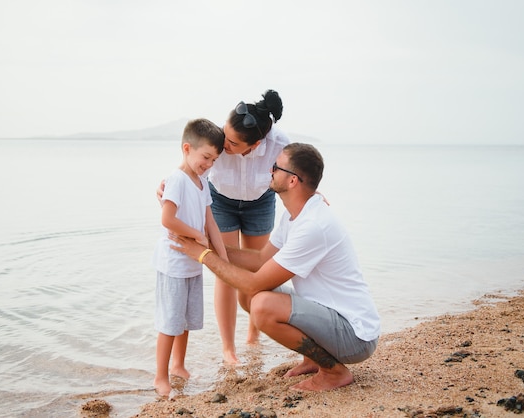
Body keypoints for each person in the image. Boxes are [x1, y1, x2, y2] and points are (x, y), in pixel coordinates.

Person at [169, 143, 381, 391]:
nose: (270, 170)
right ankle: (313, 359)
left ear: (292, 181)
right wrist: (206, 240)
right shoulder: (296, 214)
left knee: (262, 305)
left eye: (275, 166)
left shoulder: (313, 225)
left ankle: (333, 372)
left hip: (355, 336)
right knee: (250, 297)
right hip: (334, 318)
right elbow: (260, 259)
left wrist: (203, 255)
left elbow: (255, 281)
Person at [159, 89, 290, 364]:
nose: (223, 143)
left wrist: (314, 198)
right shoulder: (218, 139)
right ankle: (228, 348)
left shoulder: (278, 145)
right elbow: (192, 164)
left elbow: (295, 176)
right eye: (224, 133)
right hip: (220, 201)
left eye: (231, 142)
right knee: (225, 269)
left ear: (253, 146)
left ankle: (254, 333)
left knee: (257, 267)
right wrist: (167, 184)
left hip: (260, 202)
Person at [151, 118, 228, 397]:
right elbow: (167, 218)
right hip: (173, 262)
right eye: (205, 157)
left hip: (193, 264)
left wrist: (223, 259)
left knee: (185, 320)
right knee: (170, 322)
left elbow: (211, 223)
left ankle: (178, 366)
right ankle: (161, 377)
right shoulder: (176, 179)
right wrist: (196, 236)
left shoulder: (202, 183)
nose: (209, 164)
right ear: (187, 148)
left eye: (214, 159)